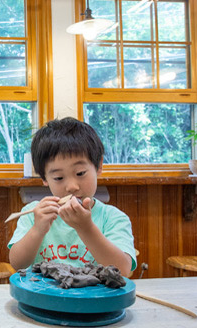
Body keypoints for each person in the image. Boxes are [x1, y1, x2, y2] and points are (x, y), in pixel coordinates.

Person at [8, 117, 135, 275]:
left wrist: (86, 228)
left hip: (94, 298)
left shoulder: (112, 218)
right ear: (44, 178)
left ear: (99, 166)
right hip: (44, 296)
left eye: (80, 173)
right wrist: (37, 229)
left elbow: (122, 270)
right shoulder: (35, 213)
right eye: (59, 178)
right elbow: (17, 264)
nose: (72, 187)